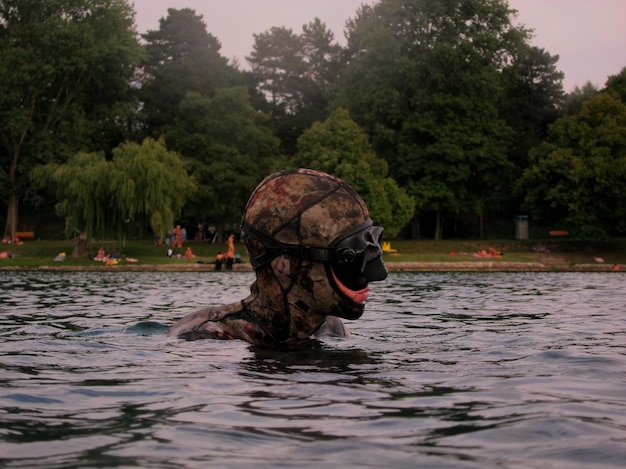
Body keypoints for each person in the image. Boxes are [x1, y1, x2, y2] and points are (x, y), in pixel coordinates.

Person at [168, 168, 388, 345]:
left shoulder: (329, 327)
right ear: (284, 264)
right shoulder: (205, 335)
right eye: (349, 256)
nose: (378, 274)